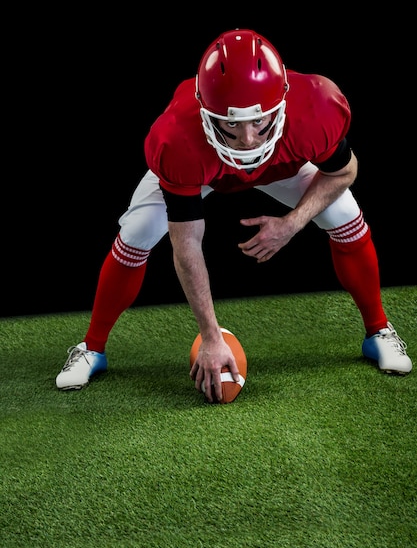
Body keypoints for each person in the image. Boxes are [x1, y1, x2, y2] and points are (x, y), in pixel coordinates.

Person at [56, 28, 412, 401]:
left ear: (283, 102)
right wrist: (210, 337)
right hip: (204, 169)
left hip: (282, 167)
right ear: (206, 110)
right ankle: (92, 347)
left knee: (344, 215)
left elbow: (344, 171)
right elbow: (187, 242)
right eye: (232, 124)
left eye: (259, 121)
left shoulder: (315, 107)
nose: (248, 139)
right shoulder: (178, 140)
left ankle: (378, 331)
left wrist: (291, 224)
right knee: (137, 231)